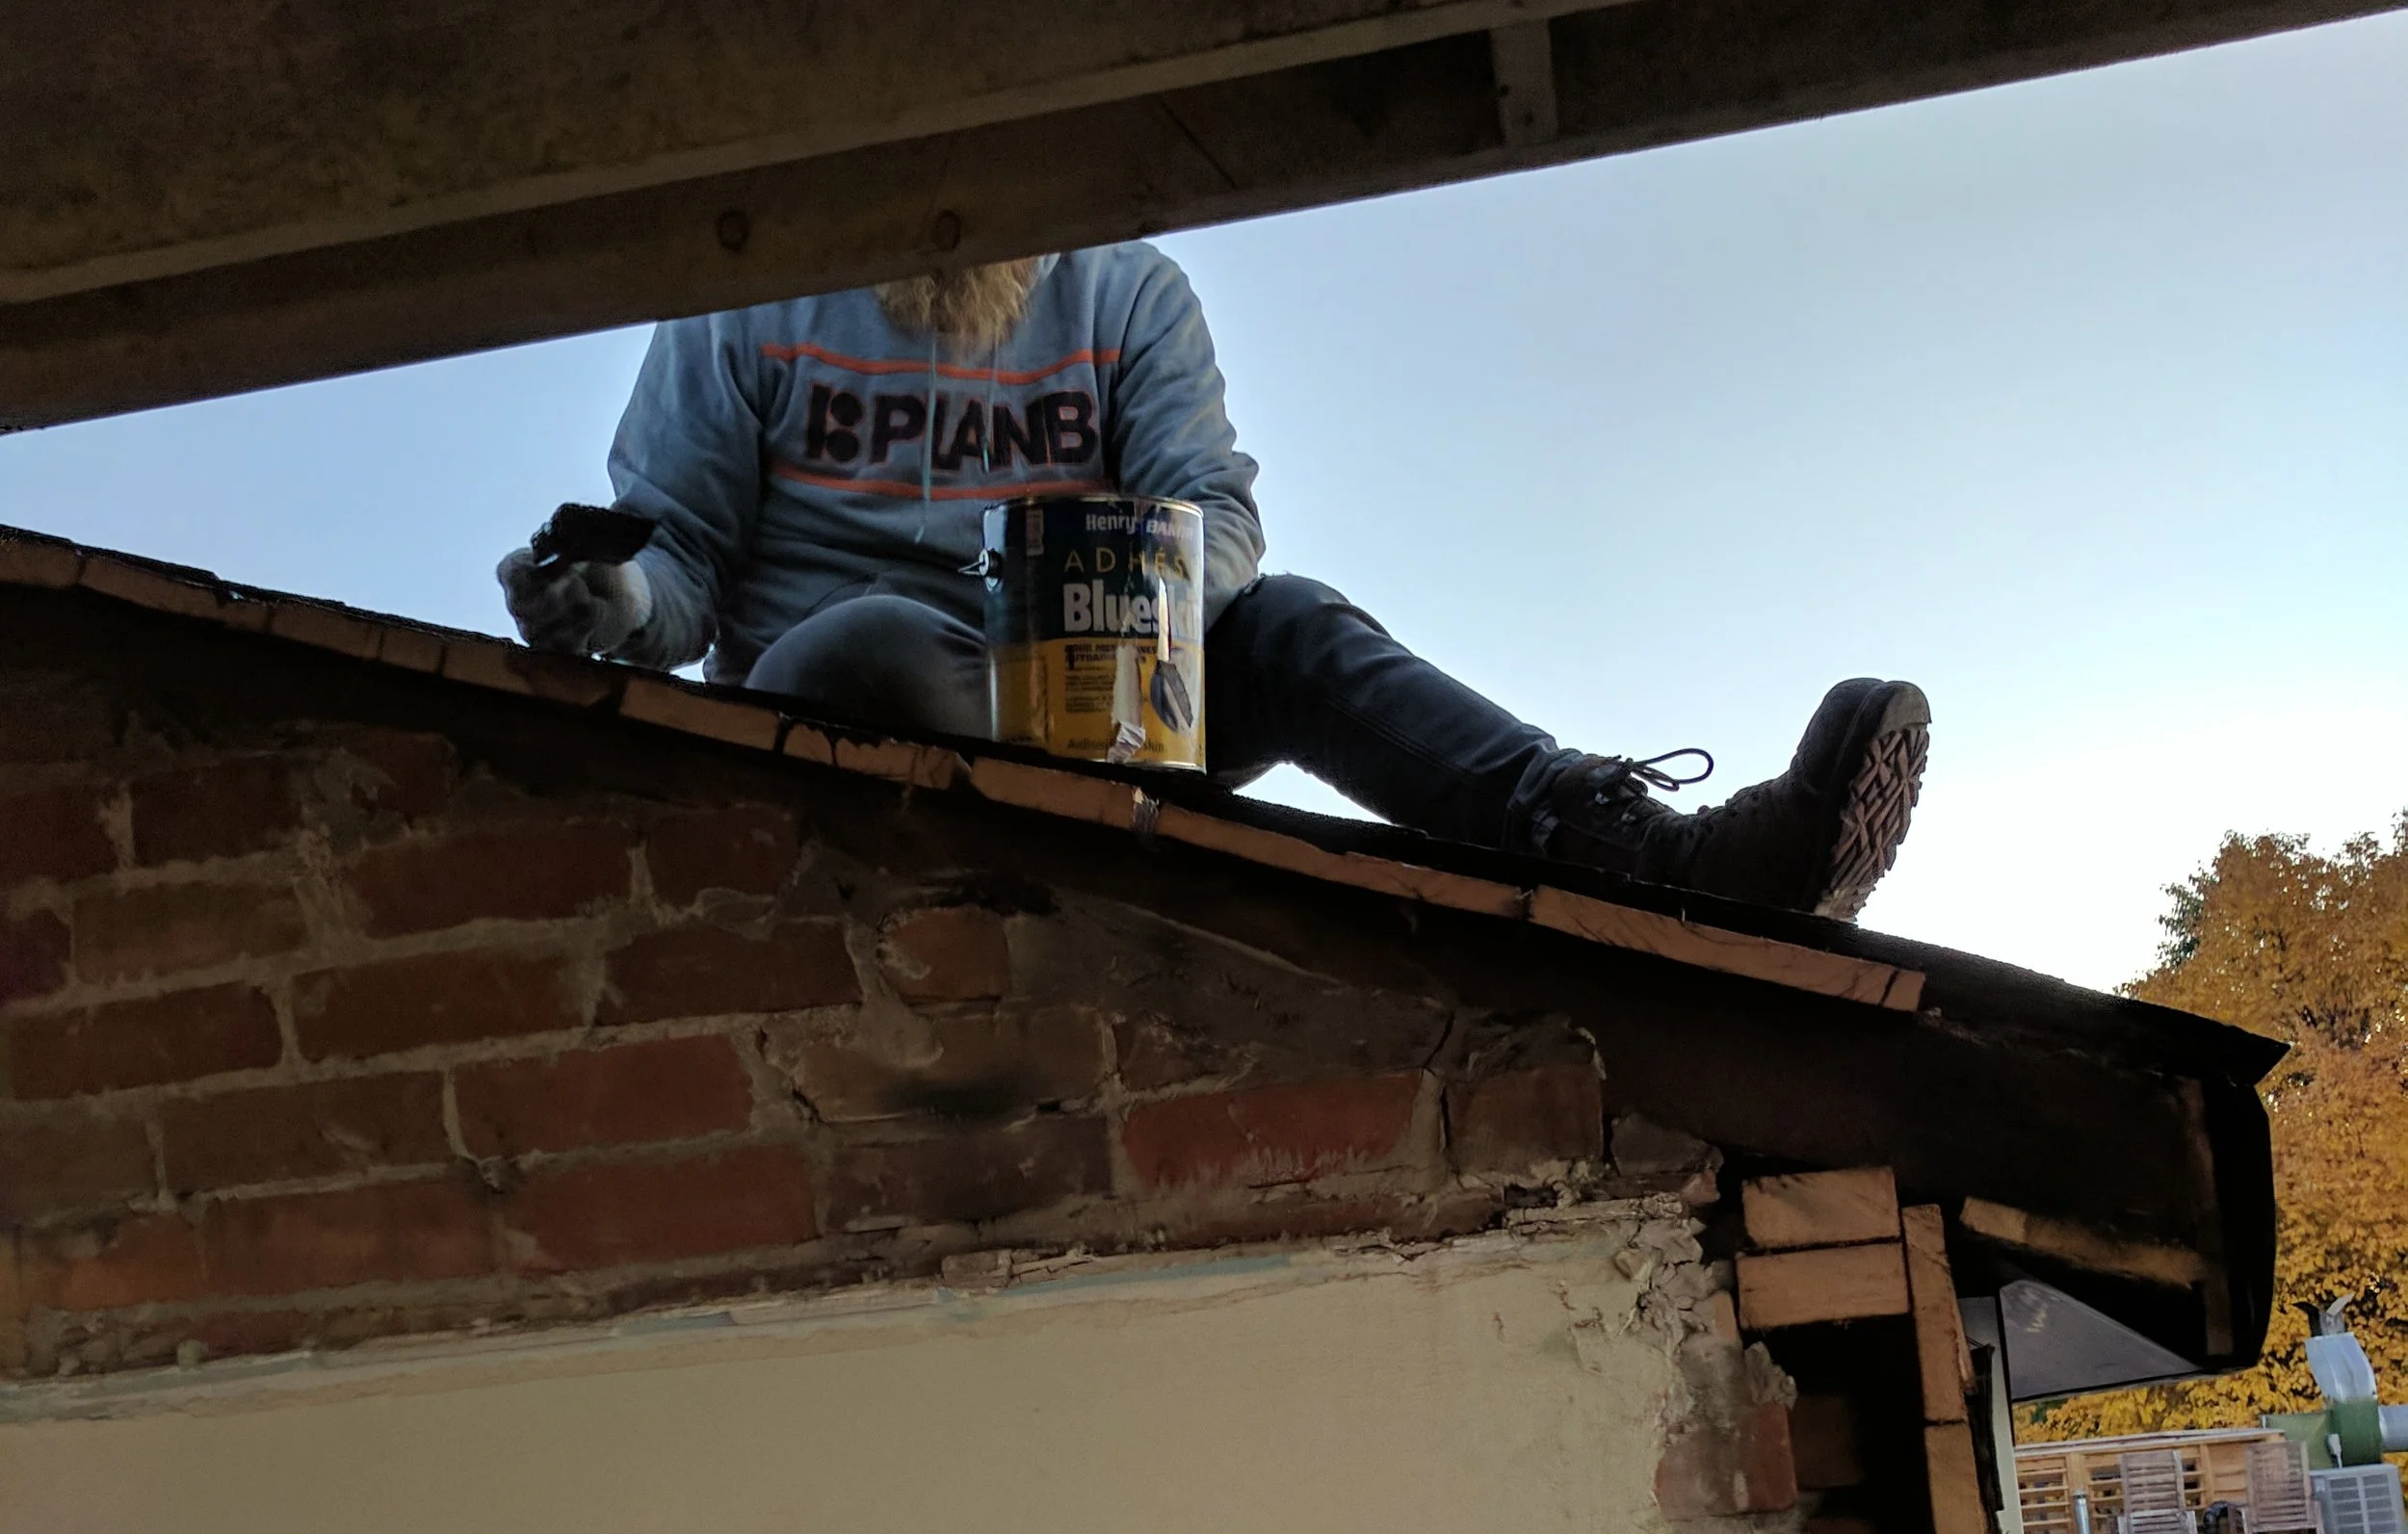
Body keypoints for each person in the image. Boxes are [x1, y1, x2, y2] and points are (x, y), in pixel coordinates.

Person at [499, 246, 1927, 922]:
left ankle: (1664, 864)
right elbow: (672, 551)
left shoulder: (1126, 294)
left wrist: (1127, 604)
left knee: (1295, 619)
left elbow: (1217, 509)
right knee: (871, 637)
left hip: (1099, 700)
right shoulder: (746, 301)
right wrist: (611, 608)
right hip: (847, 704)